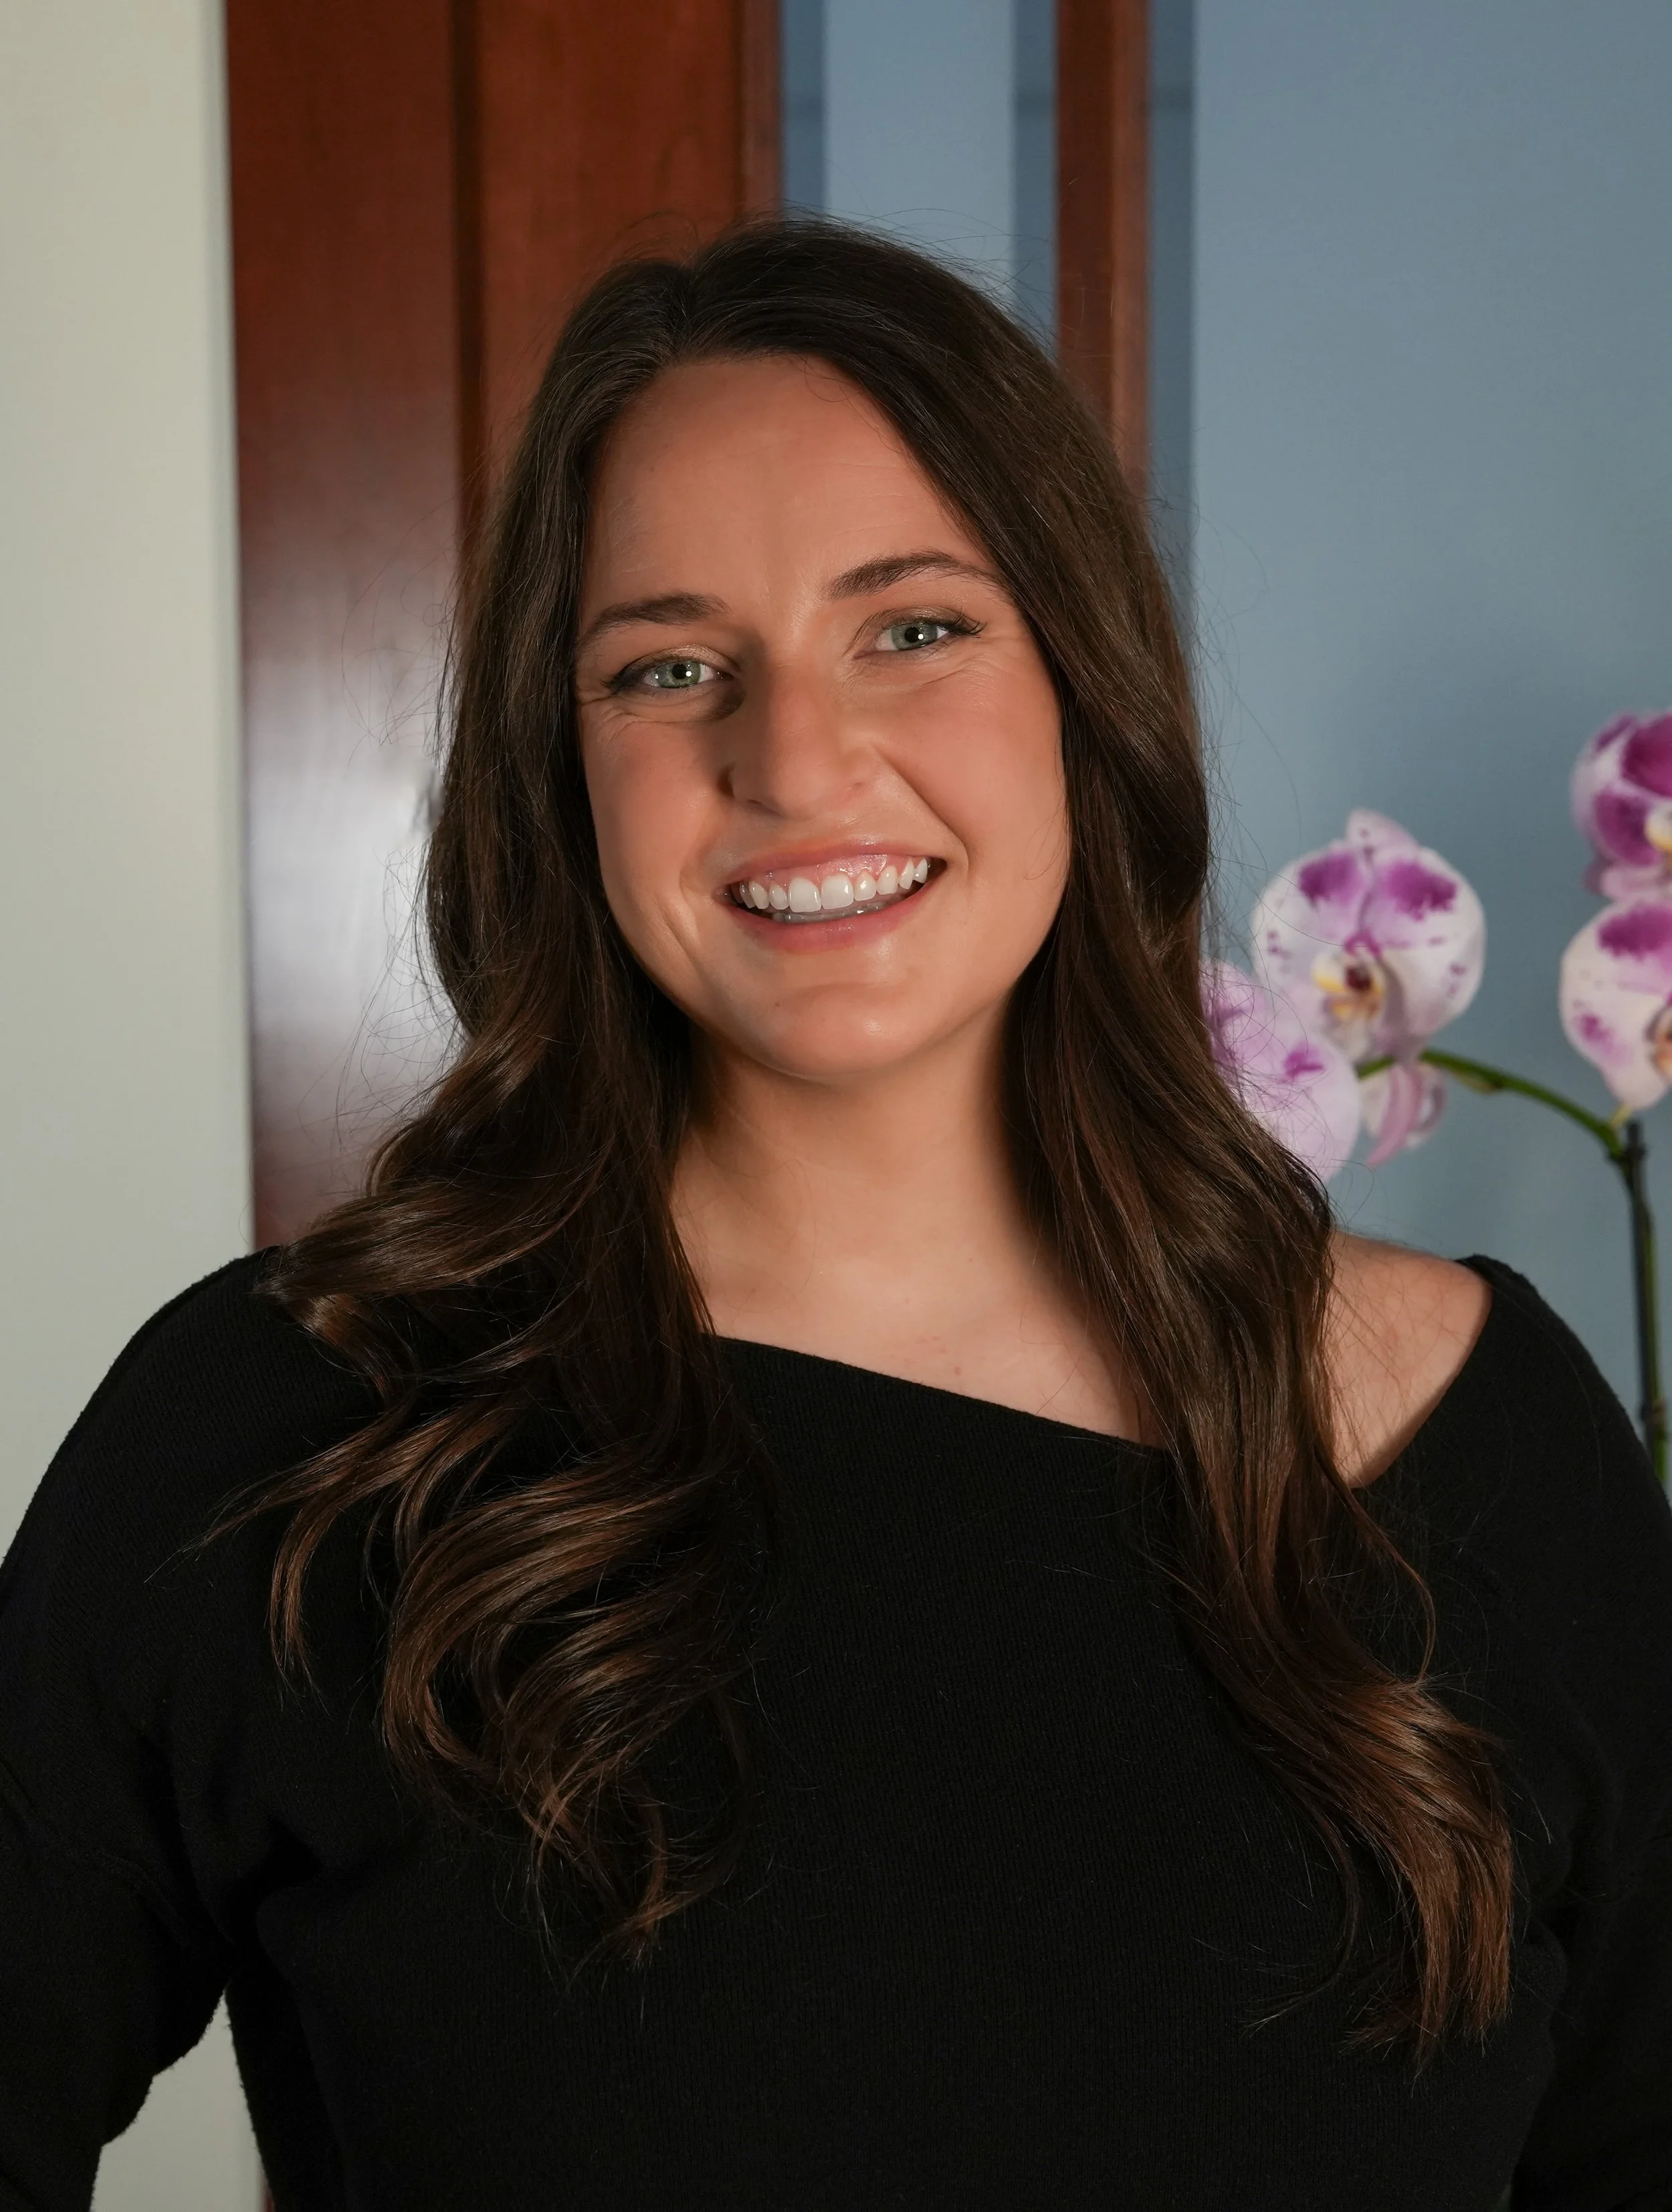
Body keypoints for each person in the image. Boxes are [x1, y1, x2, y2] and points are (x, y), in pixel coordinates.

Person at [2, 220, 1669, 2212]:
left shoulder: (1487, 1440)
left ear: (1085, 683)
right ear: (563, 772)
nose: (791, 760)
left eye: (912, 626)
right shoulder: (291, 1435)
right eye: (668, 665)